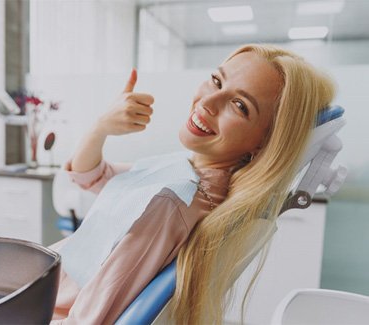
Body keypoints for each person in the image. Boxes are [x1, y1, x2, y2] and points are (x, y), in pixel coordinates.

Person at [49, 44, 336, 324]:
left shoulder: (172, 201)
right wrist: (101, 128)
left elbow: (87, 321)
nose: (207, 103)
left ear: (265, 142)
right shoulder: (185, 170)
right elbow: (91, 176)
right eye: (216, 80)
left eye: (240, 106)